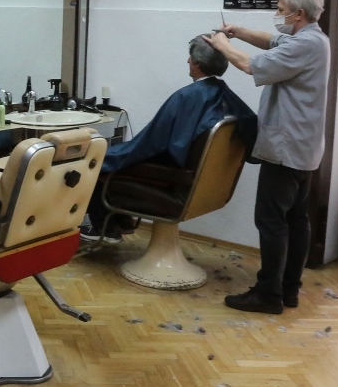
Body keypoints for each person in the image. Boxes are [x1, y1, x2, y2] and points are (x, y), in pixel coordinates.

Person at [207, 0, 331, 315]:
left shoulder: (304, 45)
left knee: (272, 221)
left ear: (298, 14)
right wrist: (239, 31)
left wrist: (222, 45)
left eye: (281, 9)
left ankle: (268, 295)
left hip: (286, 148)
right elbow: (271, 41)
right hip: (303, 148)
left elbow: (251, 66)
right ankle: (289, 289)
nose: (278, 14)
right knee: (296, 220)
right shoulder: (313, 38)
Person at [81, 35, 258, 242]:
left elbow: (150, 143)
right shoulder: (225, 95)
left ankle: (105, 227)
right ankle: (119, 221)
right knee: (115, 155)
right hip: (200, 181)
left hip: (175, 175)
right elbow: (251, 127)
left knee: (99, 159)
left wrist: (107, 154)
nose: (187, 61)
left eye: (190, 57)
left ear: (197, 63)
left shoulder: (187, 96)